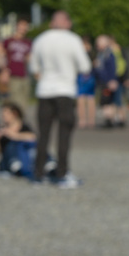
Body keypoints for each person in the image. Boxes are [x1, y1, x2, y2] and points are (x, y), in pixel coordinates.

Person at [29, 11, 92, 188]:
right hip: (64, 90)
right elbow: (85, 66)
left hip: (44, 91)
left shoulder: (40, 39)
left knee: (43, 134)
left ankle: (38, 174)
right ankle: (62, 173)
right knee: (64, 134)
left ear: (52, 22)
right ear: (66, 22)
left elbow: (34, 67)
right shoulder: (72, 40)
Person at [0, 100, 37, 179]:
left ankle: (48, 163)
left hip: (25, 155)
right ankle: (15, 164)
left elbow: (33, 137)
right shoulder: (0, 129)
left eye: (6, 113)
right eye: (3, 113)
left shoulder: (24, 127)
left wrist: (14, 135)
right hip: (7, 159)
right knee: (11, 145)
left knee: (27, 144)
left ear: (15, 113)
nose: (3, 115)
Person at [1, 18, 32, 110]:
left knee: (24, 101)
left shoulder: (28, 42)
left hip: (24, 74)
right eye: (21, 25)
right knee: (14, 102)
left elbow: (29, 58)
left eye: (25, 26)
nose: (23, 28)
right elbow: (2, 56)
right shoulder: (8, 41)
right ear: (17, 26)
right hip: (12, 74)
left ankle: (21, 122)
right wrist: (4, 71)